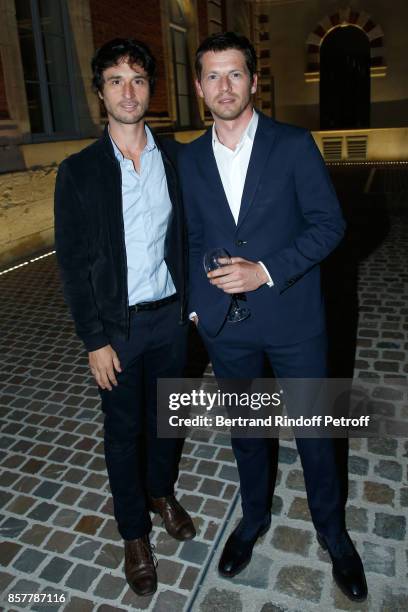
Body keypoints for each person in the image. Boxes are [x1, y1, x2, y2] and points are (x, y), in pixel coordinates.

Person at [179, 32, 367, 602]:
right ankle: (253, 517)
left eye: (235, 73)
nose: (224, 86)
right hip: (226, 327)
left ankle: (333, 533)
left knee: (316, 431)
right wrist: (196, 299)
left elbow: (329, 226)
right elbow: (186, 239)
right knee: (248, 433)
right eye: (212, 76)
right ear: (198, 87)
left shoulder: (292, 144)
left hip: (292, 319)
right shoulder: (186, 158)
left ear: (254, 81)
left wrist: (265, 270)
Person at [54, 38, 195, 597]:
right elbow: (73, 264)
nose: (127, 90)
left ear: (150, 90)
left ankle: (161, 492)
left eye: (137, 79)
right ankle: (134, 532)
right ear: (100, 92)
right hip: (119, 329)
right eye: (115, 80)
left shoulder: (178, 159)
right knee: (123, 432)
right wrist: (94, 339)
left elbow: (192, 234)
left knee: (169, 419)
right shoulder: (80, 171)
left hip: (171, 318)